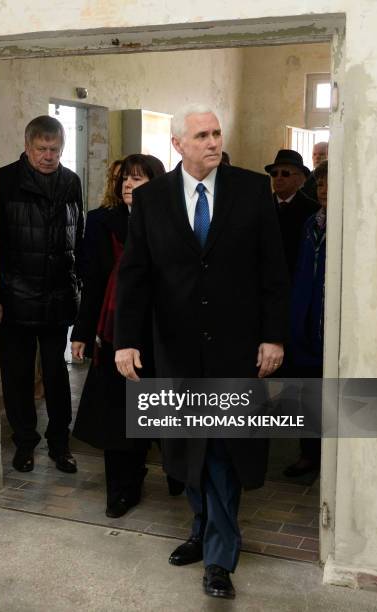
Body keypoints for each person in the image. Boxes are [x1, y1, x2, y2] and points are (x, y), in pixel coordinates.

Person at [114, 104, 289, 600]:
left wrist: (274, 336)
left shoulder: (252, 190)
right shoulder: (151, 200)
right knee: (187, 448)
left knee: (220, 450)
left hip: (237, 350)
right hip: (176, 351)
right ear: (178, 145)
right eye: (201, 135)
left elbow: (274, 272)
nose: (213, 142)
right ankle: (202, 527)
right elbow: (135, 276)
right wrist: (126, 341)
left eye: (216, 133)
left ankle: (218, 557)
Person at [71, 154, 166, 518]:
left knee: (149, 412)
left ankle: (147, 472)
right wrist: (81, 331)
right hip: (112, 334)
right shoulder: (102, 222)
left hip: (156, 335)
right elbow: (93, 283)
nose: (128, 184)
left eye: (138, 179)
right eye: (125, 178)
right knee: (116, 415)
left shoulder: (170, 223)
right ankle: (119, 491)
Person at [0, 115, 84, 474]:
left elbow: (77, 234)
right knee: (17, 374)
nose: (49, 156)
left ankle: (60, 443)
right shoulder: (5, 180)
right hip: (16, 295)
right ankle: (25, 442)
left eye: (55, 149)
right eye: (42, 149)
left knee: (56, 375)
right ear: (28, 146)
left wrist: (75, 282)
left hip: (57, 294)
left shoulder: (71, 182)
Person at [283, 159, 328, 477]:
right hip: (306, 316)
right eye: (321, 184)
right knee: (308, 389)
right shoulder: (311, 223)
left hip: (332, 318)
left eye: (330, 184)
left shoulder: (355, 224)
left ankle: (334, 458)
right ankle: (309, 452)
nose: (324, 190)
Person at [265, 149, 319, 282]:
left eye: (285, 173)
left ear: (300, 179)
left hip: (298, 281)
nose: (278, 177)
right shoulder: (261, 206)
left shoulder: (313, 210)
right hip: (267, 283)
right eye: (274, 173)